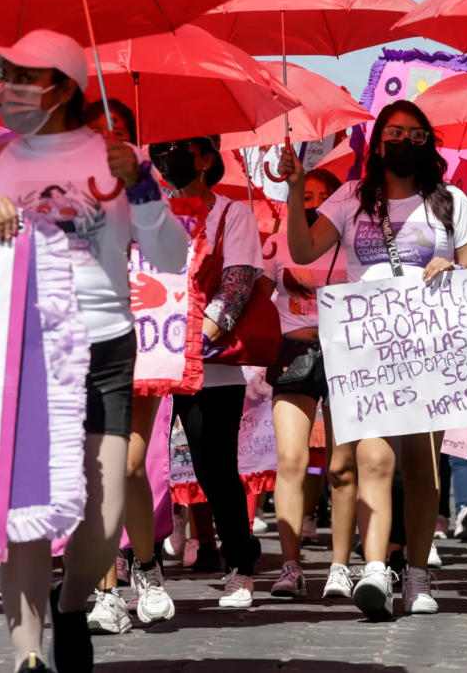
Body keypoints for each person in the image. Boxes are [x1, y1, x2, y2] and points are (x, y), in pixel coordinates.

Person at [0, 30, 188, 673]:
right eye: (7, 77)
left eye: (26, 77)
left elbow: (171, 257)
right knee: (26, 514)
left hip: (104, 348)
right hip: (23, 350)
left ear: (64, 87)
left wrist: (142, 190)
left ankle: (72, 601)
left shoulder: (118, 159)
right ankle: (26, 653)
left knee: (103, 518)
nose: (11, 89)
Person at [278, 99, 467, 619]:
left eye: (416, 134)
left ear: (429, 143)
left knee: (421, 467)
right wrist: (296, 191)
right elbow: (303, 252)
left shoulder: (452, 203)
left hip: (429, 350)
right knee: (372, 458)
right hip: (365, 352)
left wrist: (453, 271)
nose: (404, 142)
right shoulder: (350, 199)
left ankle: (416, 576)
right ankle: (374, 569)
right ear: (377, 142)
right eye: (394, 132)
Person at [148, 133, 264, 609]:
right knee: (143, 468)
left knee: (214, 468)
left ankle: (239, 565)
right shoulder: (147, 212)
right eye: (161, 149)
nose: (167, 157)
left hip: (209, 365)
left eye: (179, 150)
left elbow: (237, 282)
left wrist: (195, 339)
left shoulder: (232, 213)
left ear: (206, 159)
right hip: (150, 360)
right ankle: (142, 568)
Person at [80, 99, 175, 635]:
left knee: (131, 466)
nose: (105, 139)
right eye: (95, 131)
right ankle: (106, 592)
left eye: (116, 130)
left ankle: (147, 567)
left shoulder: (148, 192)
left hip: (147, 339)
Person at [263, 168, 356, 599]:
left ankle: (340, 566)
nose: (314, 203)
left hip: (345, 356)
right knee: (290, 461)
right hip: (292, 357)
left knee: (341, 466)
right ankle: (290, 566)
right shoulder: (278, 242)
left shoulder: (353, 243)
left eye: (324, 196)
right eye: (306, 195)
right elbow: (257, 297)